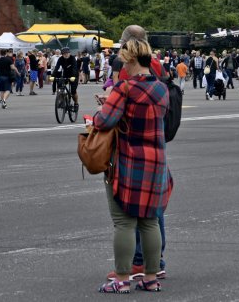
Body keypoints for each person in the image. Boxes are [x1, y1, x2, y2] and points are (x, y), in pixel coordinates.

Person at [93, 33, 172, 294]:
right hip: (157, 161)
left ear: (133, 60)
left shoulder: (124, 89)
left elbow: (103, 122)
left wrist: (102, 109)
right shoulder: (161, 88)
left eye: (125, 62)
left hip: (129, 161)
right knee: (150, 221)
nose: (123, 67)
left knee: (124, 222)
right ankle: (150, 277)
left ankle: (122, 279)